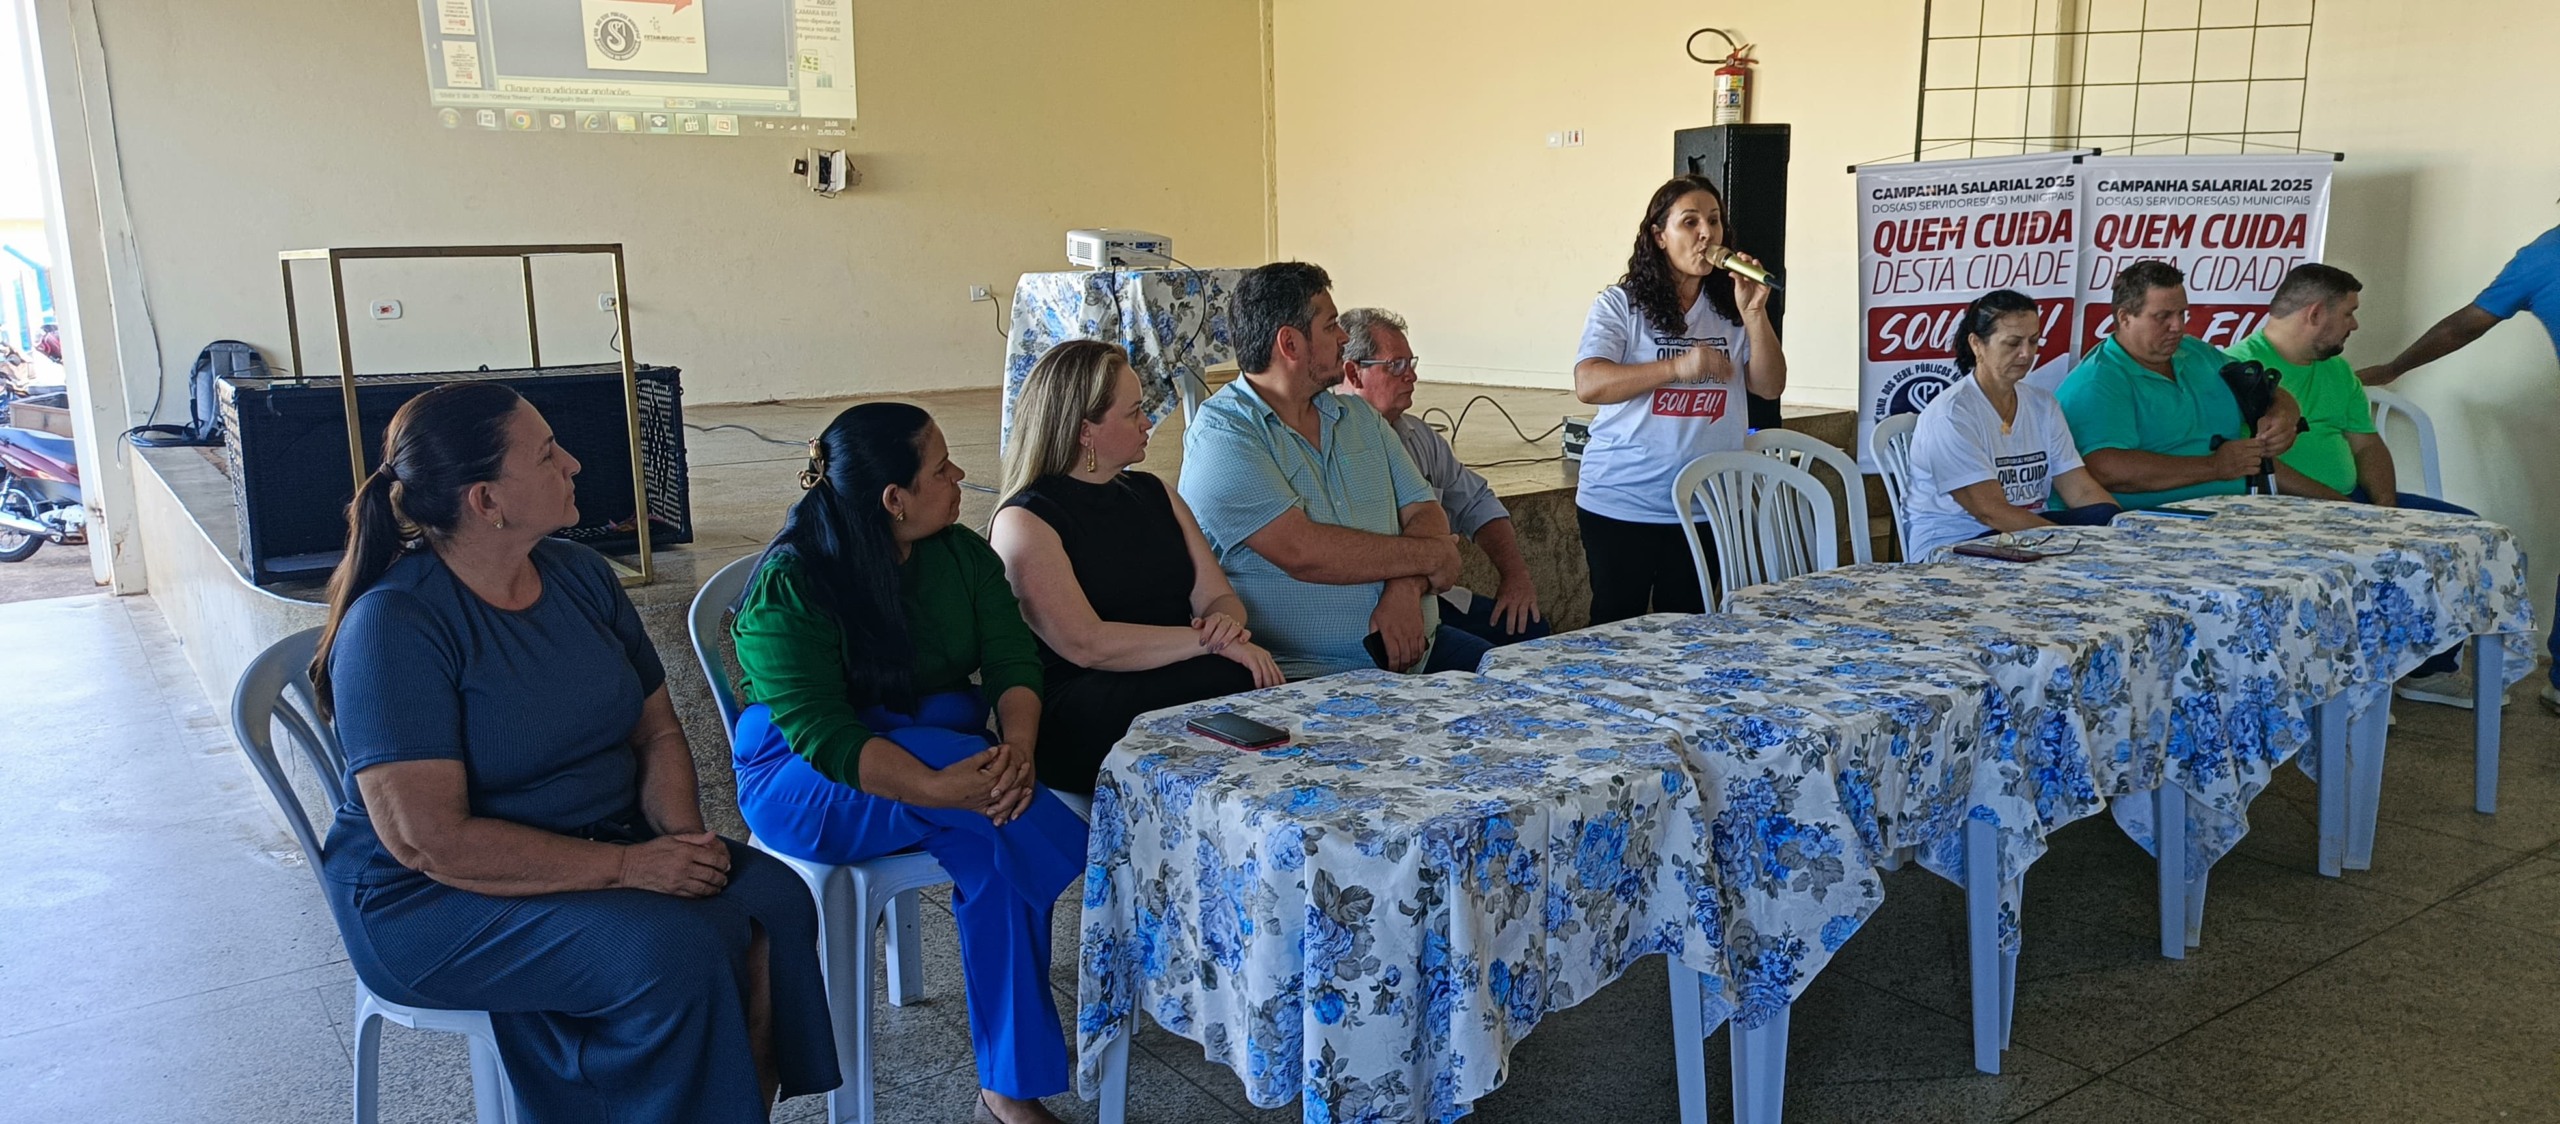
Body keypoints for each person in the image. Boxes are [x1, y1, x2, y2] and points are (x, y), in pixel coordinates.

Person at [310, 382, 839, 1124]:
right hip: (431, 898)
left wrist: (679, 842)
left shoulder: (580, 575)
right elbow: (430, 843)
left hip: (598, 835)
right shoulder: (395, 625)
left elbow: (656, 728)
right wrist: (629, 869)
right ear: (486, 501)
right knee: (671, 952)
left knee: (771, 900)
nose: (576, 464)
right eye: (548, 454)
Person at [726, 402, 1088, 1124]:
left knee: (991, 835)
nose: (960, 478)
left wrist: (1017, 746)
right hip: (809, 780)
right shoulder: (793, 584)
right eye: (941, 468)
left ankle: (1008, 1088)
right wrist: (936, 784)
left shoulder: (958, 554)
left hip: (943, 759)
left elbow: (1014, 658)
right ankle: (1013, 1085)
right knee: (989, 804)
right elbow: (822, 733)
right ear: (894, 499)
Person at [989, 339, 1281, 795]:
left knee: (1244, 677)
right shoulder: (1026, 519)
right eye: (1134, 412)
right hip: (1089, 695)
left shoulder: (1154, 491)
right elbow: (1087, 644)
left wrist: (1225, 628)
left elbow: (1219, 597)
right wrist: (1209, 643)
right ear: (1086, 430)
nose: (1148, 423)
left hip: (1177, 668)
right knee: (1229, 677)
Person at [1178, 261, 1477, 678]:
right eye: (1331, 325)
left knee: (1533, 696)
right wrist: (1434, 554)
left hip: (1422, 650)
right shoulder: (1222, 434)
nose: (1343, 338)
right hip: (1309, 676)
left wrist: (1404, 589)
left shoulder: (1360, 417)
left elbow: (1424, 511)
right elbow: (1304, 552)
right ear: (1290, 344)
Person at [2228, 263, 2478, 697]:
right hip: (2280, 511)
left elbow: (2367, 445)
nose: (2355, 324)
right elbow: (2258, 465)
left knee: (2465, 534)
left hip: (2352, 502)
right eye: (2348, 313)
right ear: (2314, 314)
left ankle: (2427, 669)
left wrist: (2384, 510)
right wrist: (2348, 510)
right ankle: (2352, 686)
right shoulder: (2238, 369)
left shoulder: (2336, 369)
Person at [2355, 222, 2560, 715]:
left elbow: (2464, 324)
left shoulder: (2544, 252)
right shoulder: (2546, 254)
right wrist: (2395, 368)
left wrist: (2396, 367)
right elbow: (2463, 325)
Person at [1573, 174, 1786, 623]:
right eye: (1690, 222)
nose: (1706, 233)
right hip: (1624, 501)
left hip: (1705, 506)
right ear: (1659, 235)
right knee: (1615, 628)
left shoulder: (1730, 310)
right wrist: (1676, 367)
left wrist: (1754, 314)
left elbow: (1769, 386)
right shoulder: (1620, 305)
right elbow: (1589, 383)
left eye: (1714, 221)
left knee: (1689, 630)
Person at [1337, 306, 1549, 647]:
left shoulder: (1417, 436)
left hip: (1431, 595)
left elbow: (1477, 503)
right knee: (1484, 660)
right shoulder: (1331, 442)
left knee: (1531, 632)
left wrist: (1516, 576)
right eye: (1396, 366)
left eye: (1411, 363)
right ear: (1354, 372)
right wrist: (1427, 557)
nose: (1412, 376)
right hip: (1367, 609)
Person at [2055, 260, 2303, 510]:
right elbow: (2107, 469)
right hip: (2152, 526)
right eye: (2162, 317)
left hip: (2237, 512)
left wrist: (2283, 416)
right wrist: (2214, 467)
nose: (2178, 326)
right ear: (2125, 318)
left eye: (2181, 313)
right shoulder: (2098, 380)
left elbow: (2266, 391)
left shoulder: (2196, 352)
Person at [1902, 289, 2120, 560]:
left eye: (2033, 341)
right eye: (2012, 343)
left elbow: (2080, 488)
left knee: (2106, 515)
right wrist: (2064, 544)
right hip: (1958, 540)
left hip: (2020, 533)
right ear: (1977, 344)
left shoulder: (2042, 404)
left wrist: (2120, 533)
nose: (2026, 353)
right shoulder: (1952, 414)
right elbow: (1989, 510)